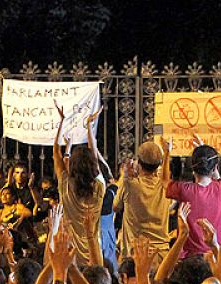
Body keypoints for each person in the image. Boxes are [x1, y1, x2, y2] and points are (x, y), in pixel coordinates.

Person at [53, 103, 106, 266]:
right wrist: (89, 126)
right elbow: (94, 151)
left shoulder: (65, 185)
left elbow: (56, 152)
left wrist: (61, 121)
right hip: (93, 253)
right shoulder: (99, 186)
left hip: (70, 256)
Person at [166, 140, 221, 256]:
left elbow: (164, 182)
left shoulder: (184, 190)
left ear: (192, 168)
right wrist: (208, 158)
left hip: (192, 257)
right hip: (220, 256)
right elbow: (217, 178)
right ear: (215, 168)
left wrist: (167, 153)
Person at [115, 139, 173, 259]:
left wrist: (124, 176)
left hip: (135, 254)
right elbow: (165, 177)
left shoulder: (130, 184)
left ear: (139, 163)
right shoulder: (165, 186)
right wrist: (167, 153)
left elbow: (115, 206)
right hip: (161, 253)